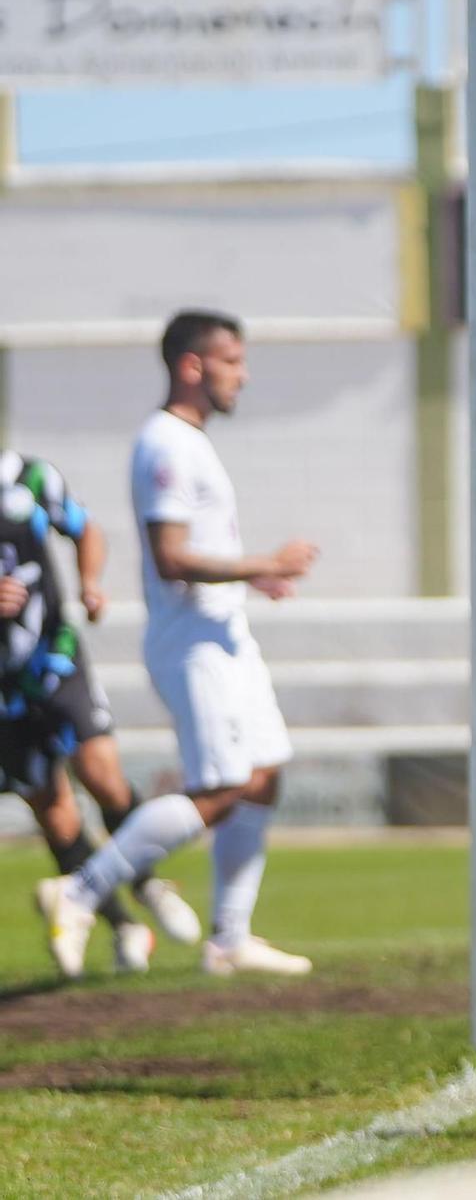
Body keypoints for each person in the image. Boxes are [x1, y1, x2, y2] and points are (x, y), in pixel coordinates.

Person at [36, 310, 318, 977]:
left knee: (264, 774)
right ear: (194, 365)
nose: (242, 376)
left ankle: (229, 938)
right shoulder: (165, 443)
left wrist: (253, 582)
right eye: (232, 362)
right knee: (219, 787)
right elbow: (171, 557)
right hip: (191, 644)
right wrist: (263, 564)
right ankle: (78, 891)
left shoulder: (190, 440)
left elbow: (200, 552)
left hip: (223, 634)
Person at [0, 451, 202, 977]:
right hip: (2, 692)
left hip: (55, 659)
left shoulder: (30, 477)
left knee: (102, 775)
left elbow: (86, 529)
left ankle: (147, 882)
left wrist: (91, 582)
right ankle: (124, 925)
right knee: (52, 806)